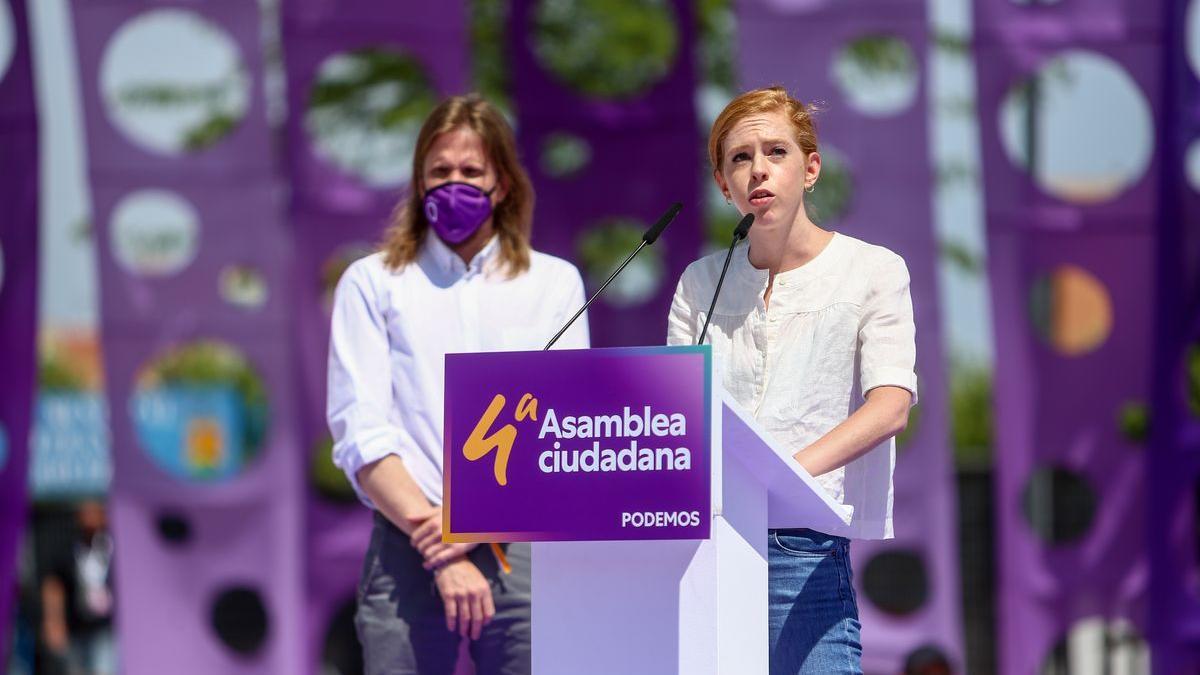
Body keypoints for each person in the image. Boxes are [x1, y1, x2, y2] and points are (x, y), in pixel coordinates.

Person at [327, 94, 590, 675]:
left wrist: (469, 529)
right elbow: (360, 431)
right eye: (439, 172)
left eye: (471, 172)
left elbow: (564, 433)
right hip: (406, 541)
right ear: (419, 183)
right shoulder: (372, 284)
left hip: (521, 544)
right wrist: (440, 545)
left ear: (502, 182)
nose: (455, 184)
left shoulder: (554, 284)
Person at [667, 86, 917, 674]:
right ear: (722, 184)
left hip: (802, 552)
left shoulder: (872, 270)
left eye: (775, 152)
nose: (757, 170)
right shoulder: (698, 285)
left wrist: (780, 476)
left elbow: (890, 406)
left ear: (810, 169)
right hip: (705, 548)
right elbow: (677, 416)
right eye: (739, 158)